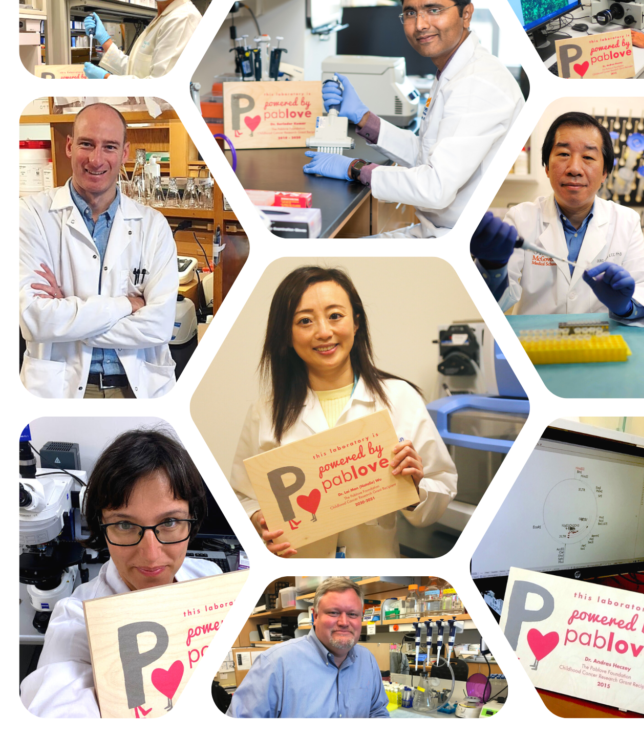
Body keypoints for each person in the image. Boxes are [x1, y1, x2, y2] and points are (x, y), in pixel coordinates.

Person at [230, 266, 457, 558]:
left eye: (335, 316)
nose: (324, 332)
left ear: (356, 322)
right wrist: (257, 519)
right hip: (299, 568)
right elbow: (243, 496)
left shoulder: (400, 398)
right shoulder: (265, 411)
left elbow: (443, 485)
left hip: (376, 566)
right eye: (305, 321)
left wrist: (415, 489)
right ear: (286, 334)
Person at [302, 0, 525, 237]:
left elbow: (436, 188)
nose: (420, 24)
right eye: (410, 13)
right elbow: (426, 153)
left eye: (434, 10)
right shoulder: (454, 69)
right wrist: (365, 119)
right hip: (436, 229)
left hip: (450, 238)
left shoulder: (477, 84)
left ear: (466, 14)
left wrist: (355, 167)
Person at [21, 430, 221, 718]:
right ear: (101, 525)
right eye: (125, 526)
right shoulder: (77, 619)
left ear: (193, 517)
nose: (151, 554)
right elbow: (58, 700)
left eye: (170, 522)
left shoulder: (210, 577)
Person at [19, 103, 179, 399]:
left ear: (125, 153)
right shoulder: (30, 215)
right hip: (59, 387)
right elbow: (33, 319)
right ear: (69, 146)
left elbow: (159, 326)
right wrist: (126, 305)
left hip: (137, 387)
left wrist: (67, 316)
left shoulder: (153, 225)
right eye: (86, 144)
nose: (96, 159)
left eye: (109, 147)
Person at [469, 112, 644, 326]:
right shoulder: (520, 218)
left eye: (588, 157)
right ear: (547, 167)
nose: (574, 169)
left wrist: (625, 307)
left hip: (603, 345)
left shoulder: (626, 221)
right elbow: (497, 304)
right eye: (563, 154)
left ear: (605, 172)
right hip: (536, 343)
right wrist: (492, 267)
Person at [227, 577, 389, 717]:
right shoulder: (275, 663)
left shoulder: (367, 660)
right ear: (315, 616)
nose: (344, 622)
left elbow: (377, 711)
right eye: (333, 612)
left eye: (352, 614)